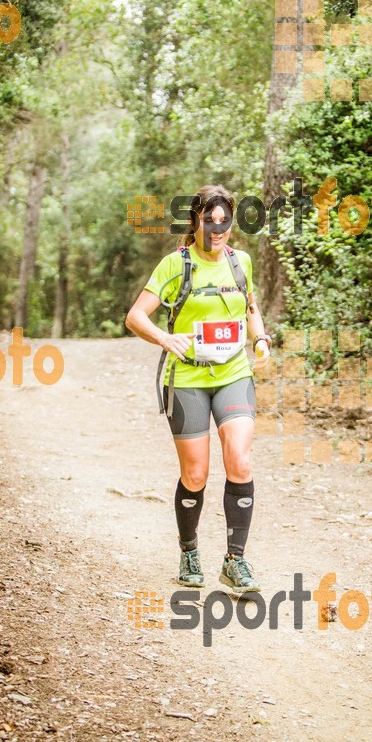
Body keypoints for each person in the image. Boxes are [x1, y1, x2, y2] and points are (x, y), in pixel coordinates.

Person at [125, 185, 272, 594]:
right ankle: (189, 550)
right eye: (210, 221)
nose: (218, 228)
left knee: (239, 461)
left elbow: (251, 309)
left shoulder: (240, 262)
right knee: (196, 473)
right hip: (187, 378)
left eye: (225, 221)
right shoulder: (176, 264)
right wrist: (164, 338)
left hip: (233, 374)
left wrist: (260, 339)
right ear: (195, 221)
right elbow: (135, 316)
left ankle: (235, 562)